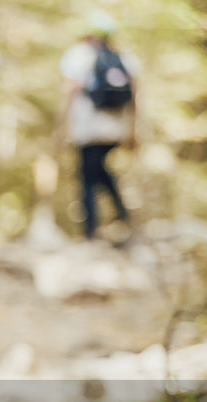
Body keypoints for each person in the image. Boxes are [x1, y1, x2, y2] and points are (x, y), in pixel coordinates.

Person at [61, 11, 137, 239]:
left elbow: (70, 90)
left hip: (87, 126)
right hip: (115, 126)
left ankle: (91, 230)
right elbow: (134, 93)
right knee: (97, 169)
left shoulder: (78, 55)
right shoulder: (123, 58)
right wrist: (132, 129)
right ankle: (120, 213)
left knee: (87, 174)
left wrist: (61, 126)